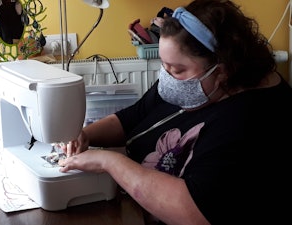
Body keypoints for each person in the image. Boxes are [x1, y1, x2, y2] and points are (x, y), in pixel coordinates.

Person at [58, 0, 292, 224]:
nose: (167, 77)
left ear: (222, 70)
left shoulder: (253, 118)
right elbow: (133, 116)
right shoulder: (193, 85)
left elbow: (195, 212)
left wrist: (110, 162)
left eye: (178, 70)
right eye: (164, 65)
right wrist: (85, 134)